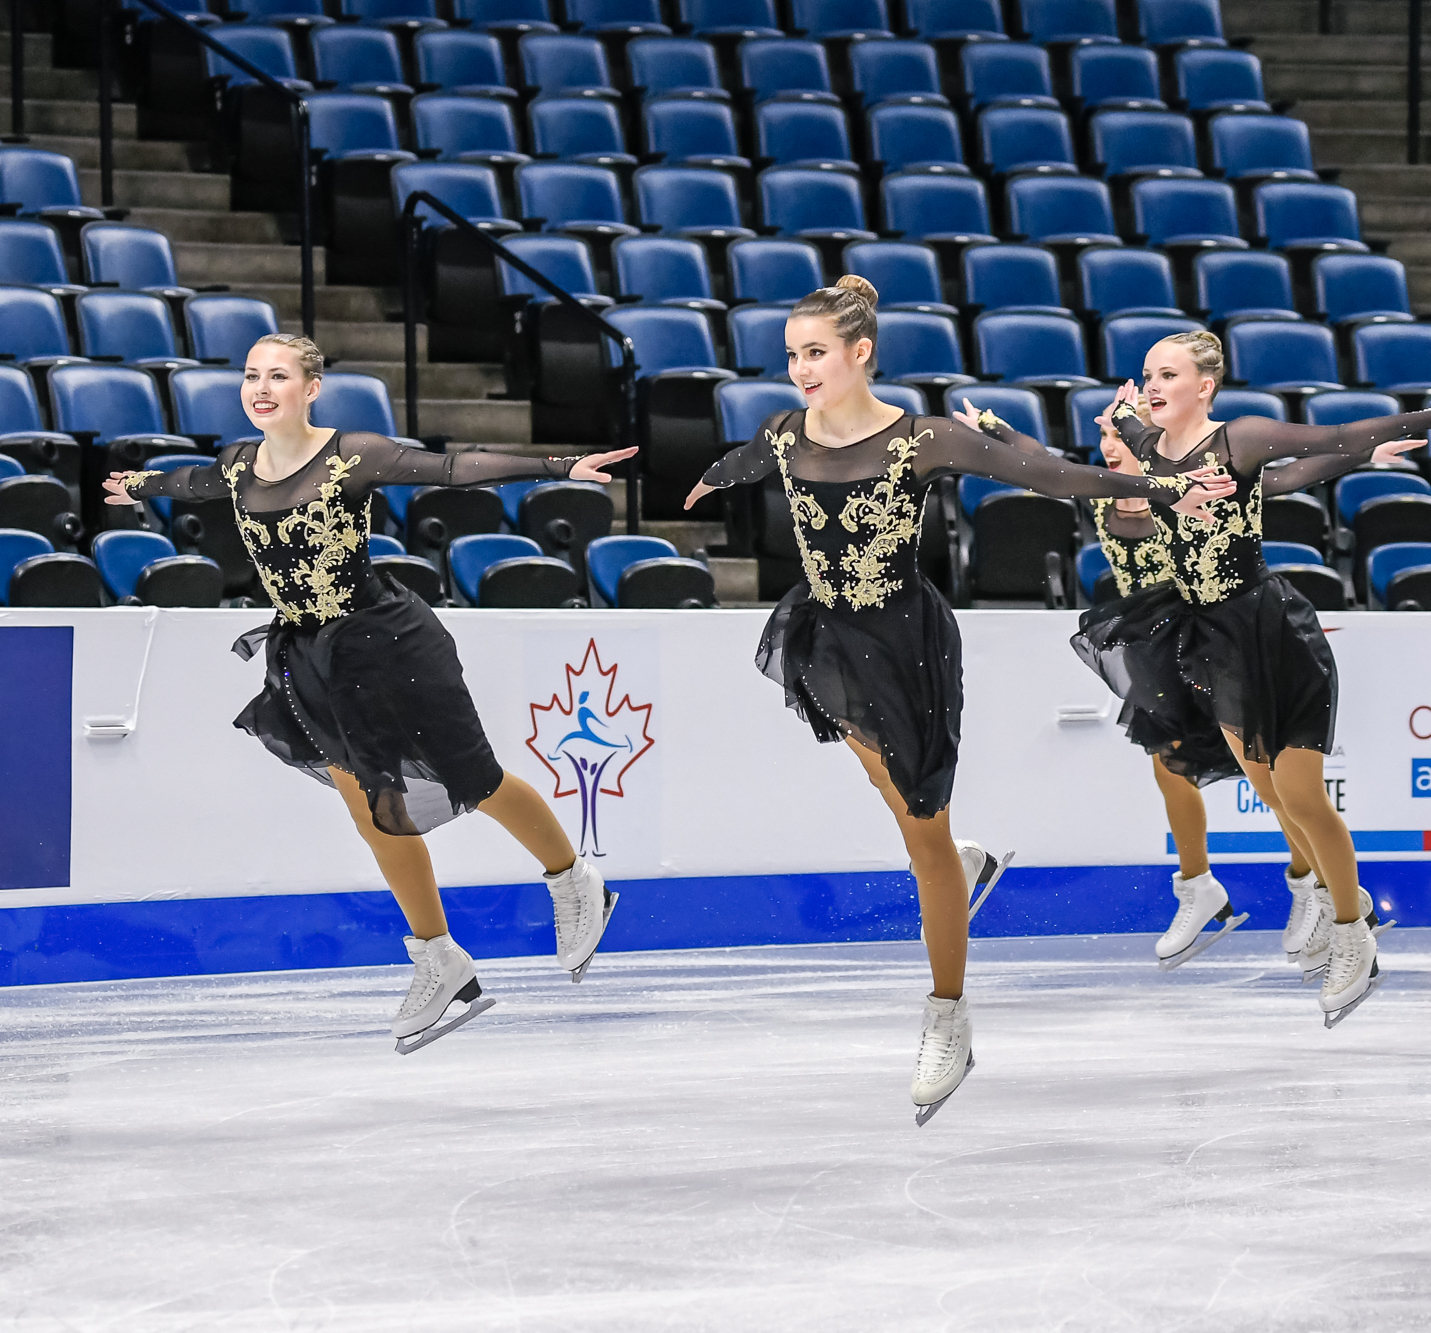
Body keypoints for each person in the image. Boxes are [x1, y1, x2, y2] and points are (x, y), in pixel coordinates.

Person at [683, 277, 1234, 1122]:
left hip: (904, 647)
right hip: (825, 635)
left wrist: (1163, 491)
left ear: (860, 352)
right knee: (886, 786)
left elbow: (1046, 473)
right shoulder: (787, 430)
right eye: (792, 354)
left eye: (816, 352)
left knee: (922, 833)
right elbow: (753, 457)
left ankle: (949, 1014)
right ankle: (962, 863)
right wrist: (711, 478)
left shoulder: (921, 438)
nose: (800, 368)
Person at [103, 334, 632, 1053]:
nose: (261, 388)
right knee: (371, 808)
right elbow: (193, 482)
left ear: (311, 387)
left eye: (278, 376)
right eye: (252, 375)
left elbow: (452, 468)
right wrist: (140, 485)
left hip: (386, 642)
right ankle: (439, 958)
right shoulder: (238, 463)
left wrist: (559, 466)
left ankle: (574, 882)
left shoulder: (351, 454)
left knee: (473, 778)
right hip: (309, 657)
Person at [1087, 331, 1431, 1024]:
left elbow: (1331, 435)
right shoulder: (1150, 449)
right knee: (1269, 791)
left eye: (1169, 374)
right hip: (1209, 647)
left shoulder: (1240, 438)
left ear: (1205, 387)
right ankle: (1334, 896)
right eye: (1148, 373)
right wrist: (1120, 416)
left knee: (1302, 795)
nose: (1153, 385)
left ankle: (1352, 932)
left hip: (1271, 631)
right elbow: (1128, 428)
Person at [957, 400, 1344, 970]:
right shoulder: (1102, 495)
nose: (1110, 450)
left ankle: (1311, 883)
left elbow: (1279, 479)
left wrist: (1360, 451)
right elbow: (1039, 458)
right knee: (1170, 766)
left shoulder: (1189, 486)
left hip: (1216, 636)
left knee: (1268, 779)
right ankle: (1198, 885)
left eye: (1120, 439)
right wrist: (994, 427)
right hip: (1158, 652)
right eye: (1104, 441)